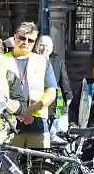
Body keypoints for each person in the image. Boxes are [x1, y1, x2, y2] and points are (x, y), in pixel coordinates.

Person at [7, 22, 57, 150]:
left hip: (37, 122)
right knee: (7, 167)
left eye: (30, 40)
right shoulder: (2, 60)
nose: (25, 42)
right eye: (22, 38)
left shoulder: (42, 61)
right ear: (14, 37)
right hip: (8, 122)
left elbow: (51, 92)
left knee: (41, 167)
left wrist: (30, 110)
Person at [35, 35, 73, 133]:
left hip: (51, 106)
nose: (44, 48)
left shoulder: (58, 62)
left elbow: (65, 84)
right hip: (34, 104)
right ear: (36, 47)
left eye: (47, 46)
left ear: (51, 48)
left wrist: (68, 102)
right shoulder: (30, 60)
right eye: (42, 45)